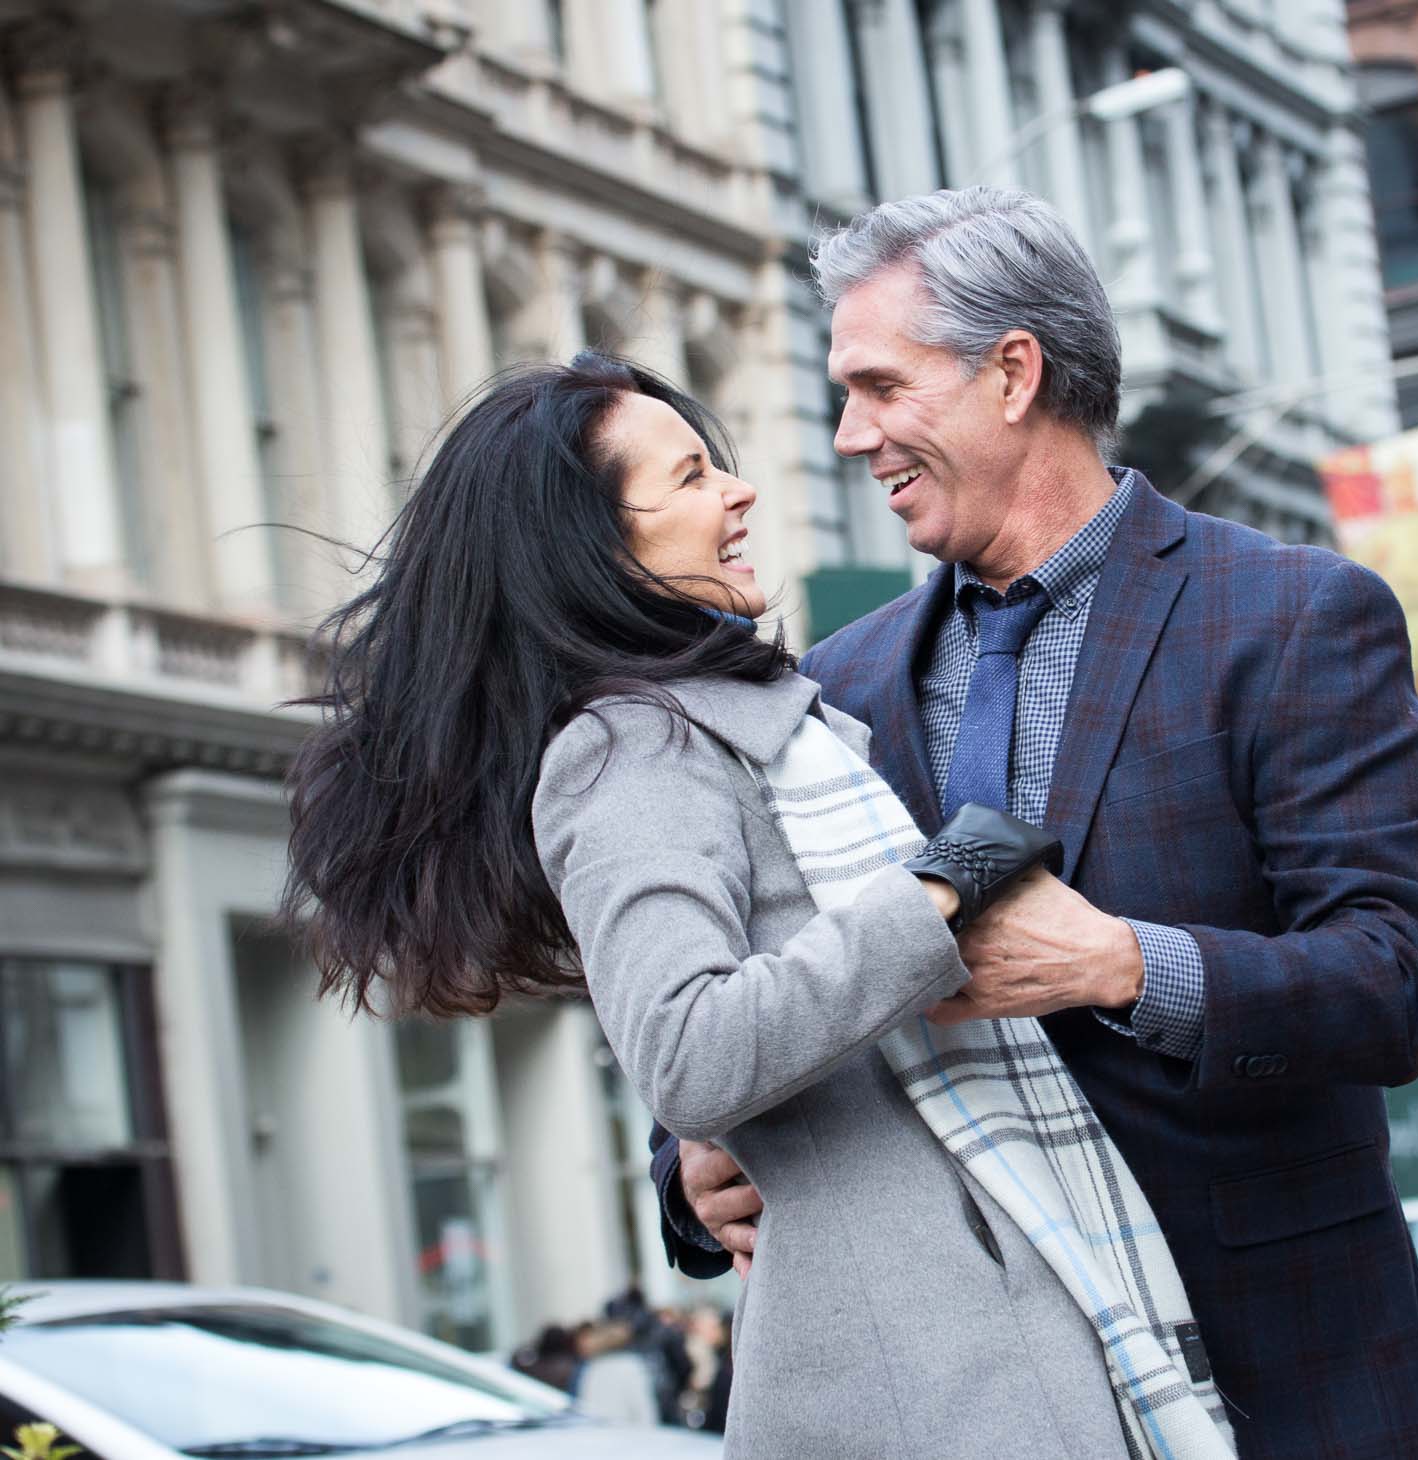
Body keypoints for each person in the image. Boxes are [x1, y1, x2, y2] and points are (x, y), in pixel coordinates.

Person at [657, 188, 1418, 1460]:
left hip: (1292, 1389)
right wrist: (689, 1175)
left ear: (1012, 372)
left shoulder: (1292, 616)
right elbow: (764, 991)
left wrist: (1125, 966)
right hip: (981, 1406)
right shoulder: (829, 688)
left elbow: (1395, 981)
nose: (852, 435)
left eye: (880, 386)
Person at [280, 354, 1228, 1458]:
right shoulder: (624, 748)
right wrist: (937, 891)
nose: (737, 493)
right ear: (594, 545)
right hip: (917, 1370)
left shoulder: (765, 723)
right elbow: (684, 1047)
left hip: (976, 1328)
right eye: (689, 477)